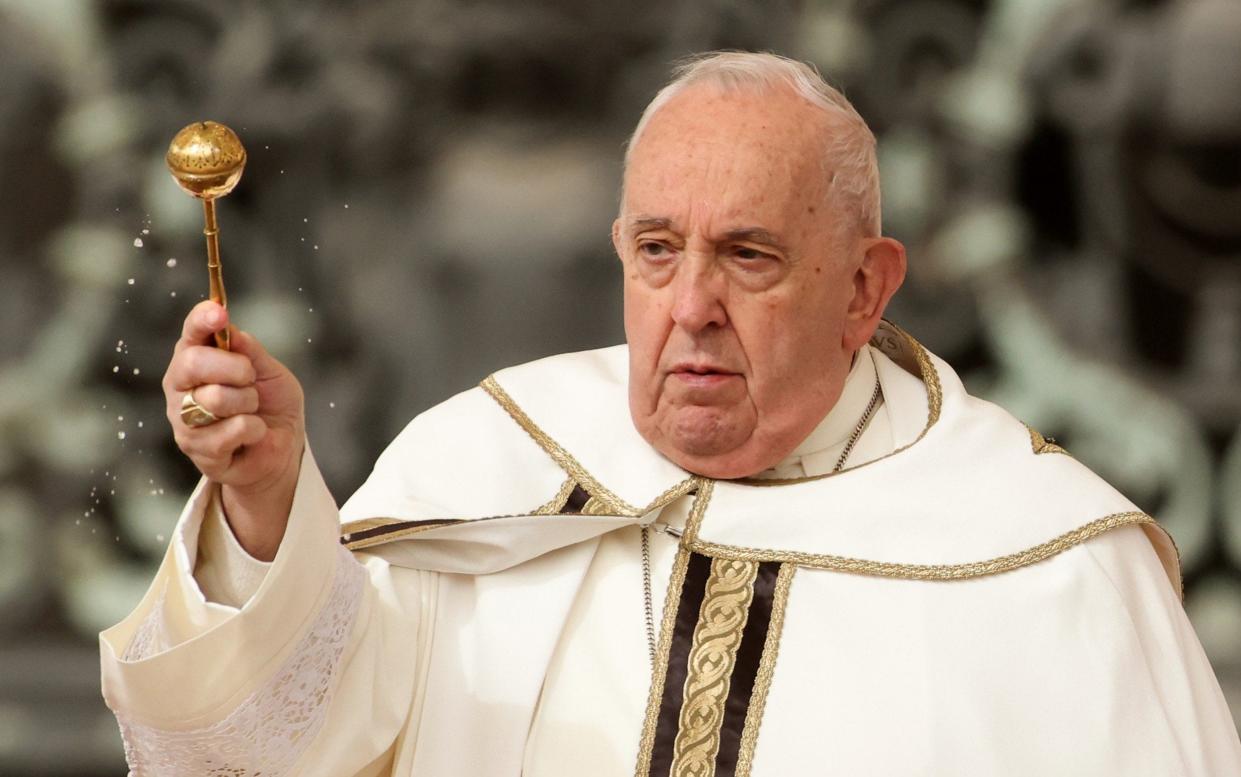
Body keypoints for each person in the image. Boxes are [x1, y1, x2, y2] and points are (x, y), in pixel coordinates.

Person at [100, 52, 1241, 776]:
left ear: (863, 287)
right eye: (656, 251)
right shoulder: (482, 464)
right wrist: (261, 509)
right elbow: (257, 755)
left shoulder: (1048, 568)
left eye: (748, 256)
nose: (690, 307)